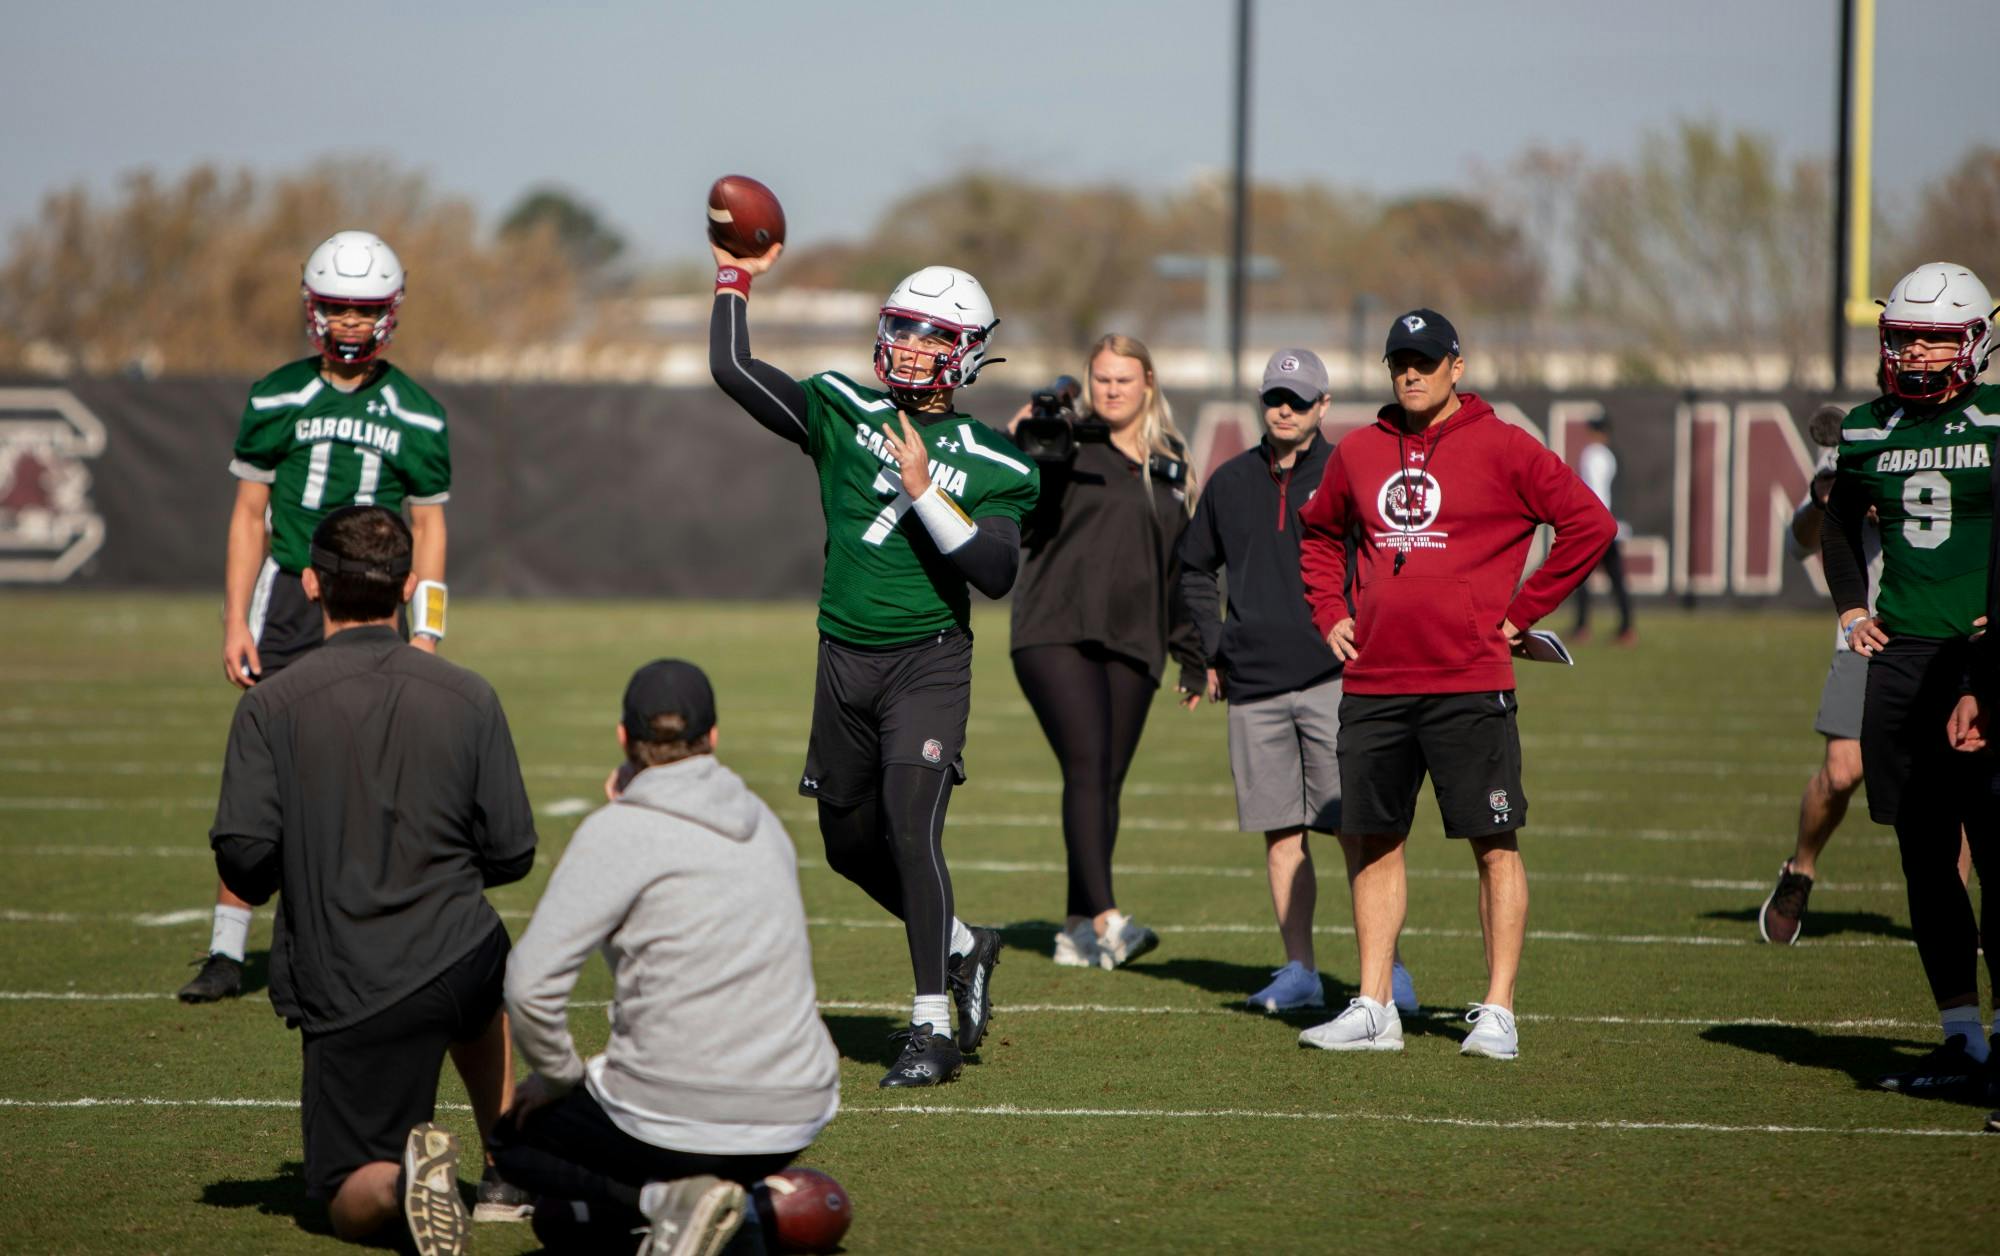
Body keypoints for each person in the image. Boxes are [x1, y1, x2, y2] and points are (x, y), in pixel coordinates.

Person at [708, 239, 1037, 1088]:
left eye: (930, 337)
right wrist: (733, 274)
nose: (908, 347)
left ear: (963, 352)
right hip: (841, 657)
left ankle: (929, 1027)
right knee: (849, 847)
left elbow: (995, 574)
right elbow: (735, 369)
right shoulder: (843, 408)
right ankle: (964, 945)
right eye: (901, 329)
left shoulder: (996, 457)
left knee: (909, 820)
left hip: (926, 662)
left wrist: (927, 490)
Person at [208, 506, 537, 1255]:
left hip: (354, 978)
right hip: (461, 956)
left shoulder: (270, 706)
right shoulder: (470, 694)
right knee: (482, 959)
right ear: (410, 587)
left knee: (340, 1195)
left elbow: (247, 863)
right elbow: (512, 853)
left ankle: (400, 1180)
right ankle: (507, 1170)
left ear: (312, 584)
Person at [1295, 309, 1614, 1059]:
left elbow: (1588, 525)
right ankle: (1375, 1005)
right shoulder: (1360, 451)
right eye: (1400, 360)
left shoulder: (1504, 446)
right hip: (1374, 681)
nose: (1412, 372)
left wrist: (1522, 612)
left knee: (1493, 842)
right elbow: (1317, 533)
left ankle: (1498, 1009)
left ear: (1456, 367)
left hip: (1469, 679)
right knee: (1373, 838)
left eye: (1426, 360)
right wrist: (1328, 610)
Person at [182, 228, 453, 1002]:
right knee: (264, 771)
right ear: (313, 306)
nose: (348, 323)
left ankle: (357, 938)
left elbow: (431, 527)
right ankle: (228, 949)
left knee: (372, 776)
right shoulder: (275, 396)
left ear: (389, 313)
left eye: (364, 309)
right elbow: (247, 515)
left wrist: (428, 630)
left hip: (370, 607)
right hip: (289, 604)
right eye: (336, 306)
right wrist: (235, 618)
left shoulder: (420, 414)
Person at [493, 659, 840, 1256]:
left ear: (624, 738)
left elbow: (528, 986)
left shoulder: (617, 830)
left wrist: (560, 1077)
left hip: (674, 1115)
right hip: (795, 1110)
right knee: (573, 1221)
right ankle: (738, 1214)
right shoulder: (765, 824)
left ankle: (664, 1204)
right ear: (713, 737)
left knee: (514, 1142)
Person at [1178, 348, 1417, 1013]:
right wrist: (1211, 646)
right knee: (1282, 835)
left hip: (1336, 680)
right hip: (1253, 684)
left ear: (1324, 406)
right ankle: (1300, 970)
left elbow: (1392, 558)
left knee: (1358, 832)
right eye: (1275, 397)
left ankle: (1387, 973)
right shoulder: (1228, 482)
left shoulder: (1354, 471)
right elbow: (1194, 568)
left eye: (1298, 399)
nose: (1284, 409)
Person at [1821, 261, 1999, 1096]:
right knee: (1925, 859)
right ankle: (1961, 1037)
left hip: (1984, 656)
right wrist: (1852, 611)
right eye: (1907, 339)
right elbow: (1835, 523)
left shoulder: (1997, 419)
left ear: (1974, 342)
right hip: (1902, 659)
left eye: (1935, 338)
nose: (1921, 355)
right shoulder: (1865, 428)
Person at [1003, 334, 1203, 969]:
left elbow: (1181, 567)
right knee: (1088, 764)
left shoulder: (1170, 461)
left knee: (1103, 781)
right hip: (1055, 629)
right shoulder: (1061, 441)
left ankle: (1074, 928)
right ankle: (1109, 920)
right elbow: (1021, 522)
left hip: (1135, 637)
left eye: (1124, 379)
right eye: (1102, 379)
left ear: (1148, 381)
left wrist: (1193, 650)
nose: (1112, 390)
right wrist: (1022, 448)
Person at [1569, 414, 1635, 645]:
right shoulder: (1610, 454)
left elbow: (1596, 492)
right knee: (1616, 578)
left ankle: (1582, 628)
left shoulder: (1594, 454)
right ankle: (1627, 628)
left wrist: (1593, 523)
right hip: (1613, 524)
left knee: (1582, 575)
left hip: (1599, 525)